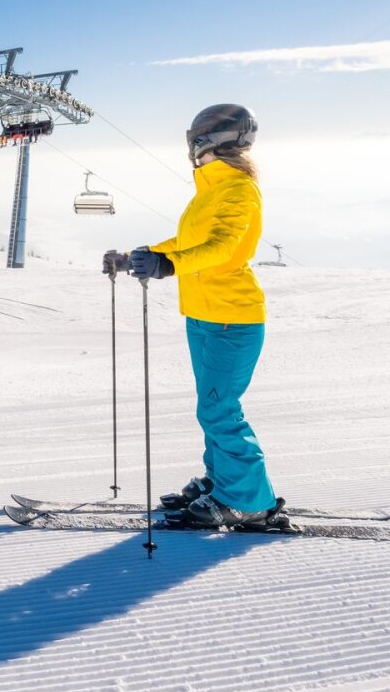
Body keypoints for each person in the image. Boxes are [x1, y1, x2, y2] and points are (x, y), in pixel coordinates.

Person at [115, 103, 280, 530]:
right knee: (211, 409)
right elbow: (190, 241)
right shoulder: (210, 189)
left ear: (206, 141)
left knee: (221, 410)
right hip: (204, 316)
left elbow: (223, 247)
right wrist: (145, 256)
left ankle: (249, 502)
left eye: (196, 139)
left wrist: (167, 266)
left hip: (232, 318)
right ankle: (221, 482)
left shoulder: (237, 190)